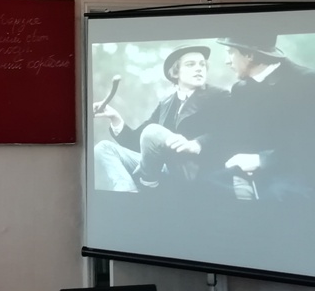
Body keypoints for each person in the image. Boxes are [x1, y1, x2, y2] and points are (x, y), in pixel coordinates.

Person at [216, 34, 315, 204]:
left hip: (311, 195)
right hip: (257, 192)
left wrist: (261, 160)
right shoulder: (240, 89)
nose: (227, 61)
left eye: (230, 52)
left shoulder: (314, 83)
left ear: (250, 55)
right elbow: (239, 141)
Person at [94, 44, 229, 192]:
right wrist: (115, 118)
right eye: (191, 64)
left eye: (202, 64)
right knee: (103, 148)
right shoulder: (165, 104)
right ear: (175, 73)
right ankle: (128, 192)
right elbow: (138, 142)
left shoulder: (219, 96)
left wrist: (197, 144)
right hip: (164, 169)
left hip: (196, 170)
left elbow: (229, 134)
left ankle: (146, 182)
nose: (199, 68)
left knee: (153, 131)